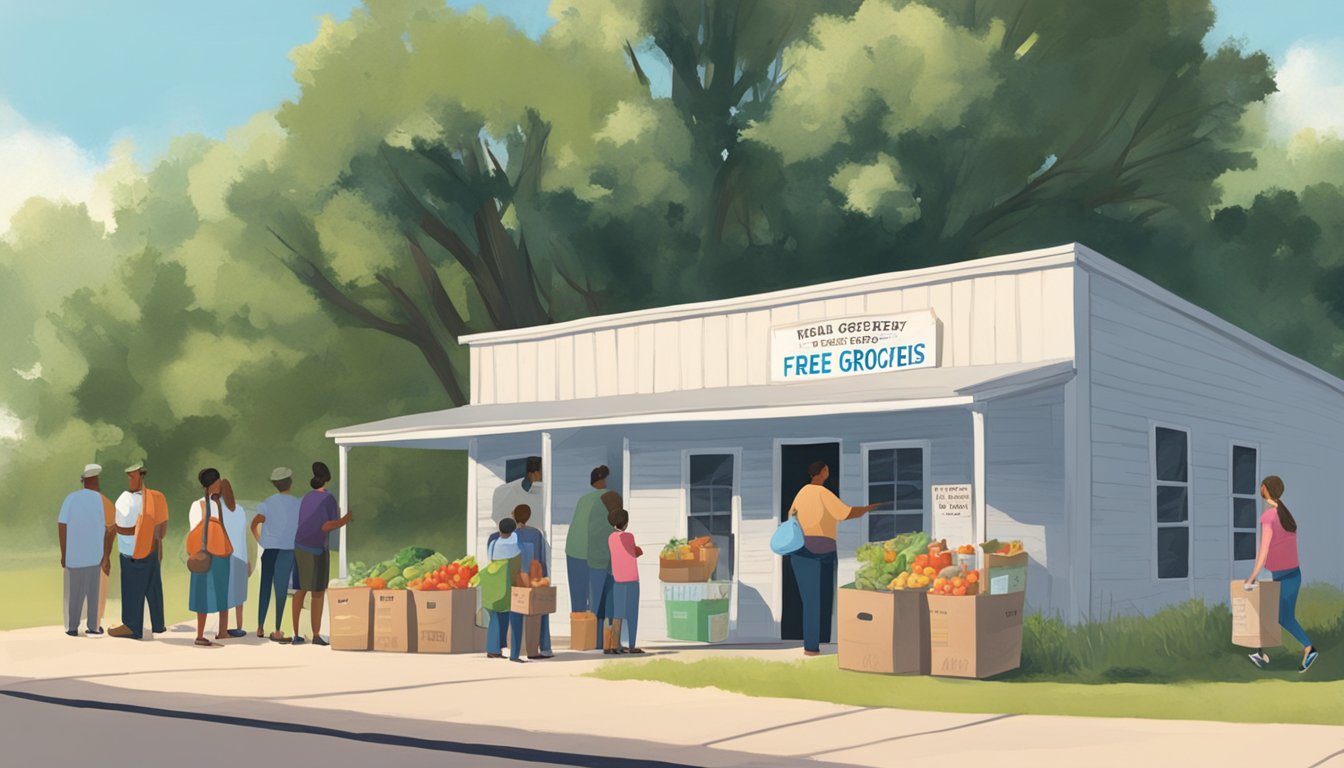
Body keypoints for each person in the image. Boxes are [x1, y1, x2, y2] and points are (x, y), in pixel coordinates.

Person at [787, 461, 884, 657]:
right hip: (823, 550)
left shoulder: (802, 492)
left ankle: (813, 645)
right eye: (826, 469)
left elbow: (791, 516)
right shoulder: (822, 492)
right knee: (822, 599)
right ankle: (814, 645)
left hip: (801, 550)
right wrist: (868, 508)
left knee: (811, 600)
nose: (828, 472)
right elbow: (845, 513)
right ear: (822, 472)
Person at [1244, 475, 1320, 672]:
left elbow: (1264, 550)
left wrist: (1252, 576)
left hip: (1278, 575)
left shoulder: (1269, 516)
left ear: (1266, 489)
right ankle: (1264, 653)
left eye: (1262, 485)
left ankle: (1305, 648)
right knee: (1279, 616)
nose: (1260, 487)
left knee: (1271, 613)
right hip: (1293, 575)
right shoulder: (1287, 516)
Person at [291, 461, 352, 646]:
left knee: (300, 590)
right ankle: (316, 634)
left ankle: (296, 634)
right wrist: (345, 520)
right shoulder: (328, 499)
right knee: (317, 591)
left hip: (300, 545)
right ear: (328, 479)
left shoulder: (306, 497)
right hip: (317, 548)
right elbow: (326, 526)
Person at [109, 462, 169, 640]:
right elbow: (162, 529)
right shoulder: (157, 497)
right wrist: (151, 538)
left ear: (140, 476)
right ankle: (158, 624)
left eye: (131, 475)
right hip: (152, 550)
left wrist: (136, 531)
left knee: (132, 589)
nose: (129, 479)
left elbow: (120, 528)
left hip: (131, 553)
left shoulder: (124, 499)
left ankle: (131, 627)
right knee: (153, 588)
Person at [567, 465, 622, 650]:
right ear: (604, 480)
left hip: (573, 551)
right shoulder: (611, 497)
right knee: (599, 599)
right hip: (594, 553)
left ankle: (580, 640)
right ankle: (598, 641)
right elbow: (606, 529)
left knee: (578, 600)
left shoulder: (583, 499)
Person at [57, 463, 115, 637]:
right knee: (94, 594)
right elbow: (111, 529)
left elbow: (62, 525)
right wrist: (106, 556)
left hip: (74, 557)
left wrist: (64, 553)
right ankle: (94, 626)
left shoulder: (70, 499)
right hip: (95, 557)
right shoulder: (104, 501)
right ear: (97, 481)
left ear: (83, 481)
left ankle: (72, 627)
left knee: (74, 593)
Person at [187, 468, 235, 647]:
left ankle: (223, 631)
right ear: (212, 484)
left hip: (221, 554)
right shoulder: (197, 505)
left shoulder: (217, 504)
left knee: (222, 592)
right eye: (218, 481)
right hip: (205, 556)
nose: (220, 484)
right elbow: (195, 532)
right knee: (202, 595)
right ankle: (199, 634)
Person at [252, 467, 300, 642]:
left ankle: (259, 627)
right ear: (290, 482)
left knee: (265, 588)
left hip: (270, 550)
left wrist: (260, 539)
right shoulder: (296, 503)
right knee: (280, 590)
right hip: (287, 551)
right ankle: (278, 629)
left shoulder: (267, 503)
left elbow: (255, 523)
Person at [512, 504, 553, 660]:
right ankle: (544, 648)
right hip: (536, 575)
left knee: (518, 612)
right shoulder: (536, 534)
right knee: (541, 612)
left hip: (519, 577)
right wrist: (545, 577)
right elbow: (542, 556)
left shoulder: (513, 535)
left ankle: (519, 648)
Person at [485, 517, 525, 662]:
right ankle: (514, 655)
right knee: (515, 619)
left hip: (495, 584)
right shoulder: (514, 544)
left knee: (495, 617)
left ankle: (493, 649)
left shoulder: (494, 543)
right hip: (509, 585)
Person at [606, 508, 644, 655]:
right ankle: (632, 645)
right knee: (632, 614)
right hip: (631, 579)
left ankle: (615, 645)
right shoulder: (628, 536)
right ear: (625, 522)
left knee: (618, 614)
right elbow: (633, 552)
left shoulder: (611, 537)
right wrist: (639, 550)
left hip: (618, 579)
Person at [221, 486, 251, 638]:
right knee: (239, 596)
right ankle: (239, 626)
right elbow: (243, 537)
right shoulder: (240, 510)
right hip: (241, 556)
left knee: (224, 593)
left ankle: (224, 627)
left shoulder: (219, 511)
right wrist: (248, 560)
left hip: (226, 555)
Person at [492, 456, 543, 526]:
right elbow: (498, 518)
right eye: (542, 473)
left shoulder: (502, 491)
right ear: (534, 474)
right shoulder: (504, 492)